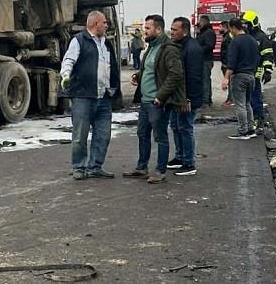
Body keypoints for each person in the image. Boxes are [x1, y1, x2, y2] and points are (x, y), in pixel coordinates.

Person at [123, 14, 185, 184]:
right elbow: (151, 69)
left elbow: (175, 74)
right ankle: (141, 168)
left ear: (158, 29)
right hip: (145, 101)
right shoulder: (151, 47)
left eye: (148, 28)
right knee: (142, 134)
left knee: (160, 137)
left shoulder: (169, 49)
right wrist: (138, 75)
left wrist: (161, 96)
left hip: (157, 102)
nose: (145, 31)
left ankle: (160, 171)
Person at [60, 11, 122, 180]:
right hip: (84, 96)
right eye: (104, 22)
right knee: (80, 135)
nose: (107, 25)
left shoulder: (106, 43)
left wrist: (114, 89)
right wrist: (65, 75)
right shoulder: (79, 40)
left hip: (104, 97)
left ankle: (95, 166)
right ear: (95, 24)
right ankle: (79, 167)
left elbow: (111, 66)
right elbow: (69, 60)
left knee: (103, 135)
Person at [167, 17, 203, 176]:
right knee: (176, 126)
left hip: (186, 98)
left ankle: (189, 163)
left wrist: (188, 99)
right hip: (177, 97)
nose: (172, 32)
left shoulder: (192, 49)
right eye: (171, 29)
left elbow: (193, 76)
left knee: (185, 128)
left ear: (185, 31)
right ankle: (180, 156)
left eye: (175, 30)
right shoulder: (179, 46)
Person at [221, 18, 259, 140]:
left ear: (233, 28)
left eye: (230, 29)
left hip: (239, 76)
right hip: (251, 75)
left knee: (240, 105)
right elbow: (257, 58)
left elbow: (231, 62)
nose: (230, 32)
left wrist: (226, 78)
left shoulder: (235, 42)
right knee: (247, 103)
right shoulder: (252, 40)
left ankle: (243, 131)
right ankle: (251, 129)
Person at [241, 10, 273, 134]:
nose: (244, 26)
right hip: (246, 71)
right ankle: (250, 119)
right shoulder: (246, 36)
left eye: (246, 23)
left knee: (255, 97)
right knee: (246, 99)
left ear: (252, 23)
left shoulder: (261, 37)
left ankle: (258, 119)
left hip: (256, 72)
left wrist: (268, 71)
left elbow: (268, 54)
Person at [196, 15, 216, 107]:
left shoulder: (209, 33)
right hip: (202, 60)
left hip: (206, 60)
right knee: (204, 80)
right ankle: (207, 99)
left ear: (204, 22)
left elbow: (209, 45)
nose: (199, 23)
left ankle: (205, 101)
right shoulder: (202, 32)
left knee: (205, 80)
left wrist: (198, 50)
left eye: (200, 22)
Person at [219, 24, 234, 106]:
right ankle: (230, 98)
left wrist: (226, 63)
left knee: (229, 81)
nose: (219, 28)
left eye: (220, 27)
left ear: (225, 28)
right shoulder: (226, 37)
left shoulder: (228, 38)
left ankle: (231, 99)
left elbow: (228, 52)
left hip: (227, 64)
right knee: (229, 82)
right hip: (225, 63)